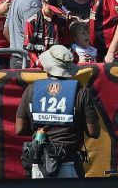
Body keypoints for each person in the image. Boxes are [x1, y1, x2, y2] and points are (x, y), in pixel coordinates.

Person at [15, 45, 100, 179]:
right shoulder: (81, 92)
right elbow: (94, 132)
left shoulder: (31, 89)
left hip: (39, 164)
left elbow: (19, 129)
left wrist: (42, 128)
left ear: (48, 67)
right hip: (69, 163)